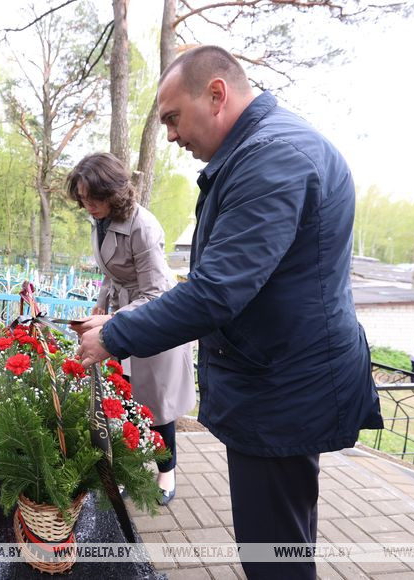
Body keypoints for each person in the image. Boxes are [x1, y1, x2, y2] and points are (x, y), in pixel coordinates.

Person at [75, 46, 383, 579]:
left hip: (282, 388)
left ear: (216, 95)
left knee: (273, 555)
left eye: (174, 118)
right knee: (284, 544)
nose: (171, 135)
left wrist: (115, 335)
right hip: (280, 379)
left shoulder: (272, 158)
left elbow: (216, 292)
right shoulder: (264, 150)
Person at [66, 152, 196, 505]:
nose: (88, 206)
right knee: (124, 399)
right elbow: (112, 271)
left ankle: (166, 471)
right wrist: (101, 304)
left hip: (155, 320)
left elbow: (155, 293)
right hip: (123, 313)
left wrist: (111, 320)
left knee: (156, 405)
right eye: (83, 199)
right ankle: (130, 468)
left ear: (113, 192)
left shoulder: (144, 227)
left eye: (94, 198)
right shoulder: (100, 219)